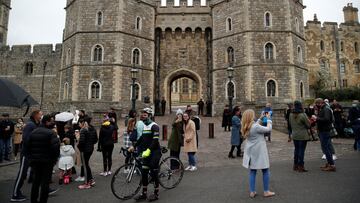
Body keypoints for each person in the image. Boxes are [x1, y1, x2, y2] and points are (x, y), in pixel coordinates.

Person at [24, 114, 60, 203]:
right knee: (45, 183)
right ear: (47, 122)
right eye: (52, 121)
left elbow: (27, 147)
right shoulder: (51, 133)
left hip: (35, 161)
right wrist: (54, 159)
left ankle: (33, 200)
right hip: (47, 162)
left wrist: (31, 159)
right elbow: (56, 148)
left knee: (36, 182)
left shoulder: (33, 132)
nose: (53, 123)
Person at [129, 107, 161, 201]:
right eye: (142, 114)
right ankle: (144, 193)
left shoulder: (154, 126)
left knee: (154, 173)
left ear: (150, 116)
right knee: (144, 172)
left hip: (154, 152)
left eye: (145, 114)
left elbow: (155, 141)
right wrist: (134, 146)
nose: (142, 116)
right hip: (146, 153)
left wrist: (149, 150)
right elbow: (141, 139)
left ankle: (156, 193)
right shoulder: (145, 126)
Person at [242, 109, 275, 198]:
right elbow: (268, 129)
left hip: (251, 151)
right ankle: (266, 191)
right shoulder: (255, 126)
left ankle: (252, 191)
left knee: (253, 171)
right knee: (265, 170)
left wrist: (260, 119)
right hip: (259, 151)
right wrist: (268, 119)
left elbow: (256, 125)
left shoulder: (246, 126)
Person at [11, 110, 42, 202]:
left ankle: (45, 188)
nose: (41, 115)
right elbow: (26, 139)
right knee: (22, 174)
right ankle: (15, 194)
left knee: (39, 172)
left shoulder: (37, 124)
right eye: (40, 114)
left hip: (34, 153)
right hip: (27, 153)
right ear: (36, 115)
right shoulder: (30, 125)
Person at [313, 98, 336, 172]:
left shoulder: (326, 109)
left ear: (320, 103)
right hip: (323, 130)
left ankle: (331, 165)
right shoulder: (323, 109)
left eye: (316, 104)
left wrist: (317, 118)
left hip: (325, 131)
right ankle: (329, 163)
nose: (316, 105)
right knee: (327, 147)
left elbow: (327, 119)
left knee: (326, 148)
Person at [289, 101, 311, 172]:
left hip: (295, 135)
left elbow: (290, 125)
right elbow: (308, 125)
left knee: (296, 150)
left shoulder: (291, 114)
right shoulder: (303, 114)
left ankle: (295, 165)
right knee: (301, 150)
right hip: (302, 135)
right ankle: (301, 166)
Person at [76, 117, 98, 189]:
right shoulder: (91, 129)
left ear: (82, 123)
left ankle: (87, 183)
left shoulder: (83, 130)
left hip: (85, 150)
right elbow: (95, 140)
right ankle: (91, 180)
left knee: (85, 166)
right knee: (86, 165)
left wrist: (78, 146)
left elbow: (81, 141)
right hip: (90, 149)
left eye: (79, 123)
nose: (78, 124)